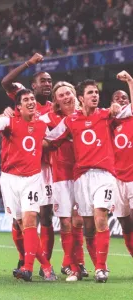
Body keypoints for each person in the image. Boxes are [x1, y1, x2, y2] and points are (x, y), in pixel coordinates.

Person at [46, 78, 133, 283]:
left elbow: (130, 110)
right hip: (81, 178)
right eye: (90, 93)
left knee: (100, 217)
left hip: (105, 176)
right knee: (88, 226)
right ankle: (89, 266)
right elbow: (50, 137)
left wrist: (130, 81)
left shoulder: (106, 115)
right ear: (81, 98)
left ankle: (101, 269)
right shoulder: (70, 121)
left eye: (96, 92)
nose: (95, 95)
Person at [0, 89, 57, 282]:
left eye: (32, 99)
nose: (30, 102)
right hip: (10, 179)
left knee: (29, 222)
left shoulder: (43, 124)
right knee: (20, 224)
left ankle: (27, 268)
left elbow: (57, 139)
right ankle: (46, 266)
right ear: (18, 106)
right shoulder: (8, 121)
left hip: (32, 178)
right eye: (25, 99)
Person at [1, 53, 55, 272]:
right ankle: (24, 258)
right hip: (20, 167)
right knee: (20, 220)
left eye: (50, 81)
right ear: (32, 86)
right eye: (43, 81)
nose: (47, 84)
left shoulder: (53, 107)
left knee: (45, 216)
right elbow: (5, 82)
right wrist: (28, 63)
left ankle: (43, 264)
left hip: (45, 168)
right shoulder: (25, 98)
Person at [40, 81, 87, 281]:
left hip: (83, 174)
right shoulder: (48, 119)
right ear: (56, 102)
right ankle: (70, 264)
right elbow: (30, 126)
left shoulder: (86, 113)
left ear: (75, 94)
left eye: (68, 93)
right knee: (66, 222)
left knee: (79, 221)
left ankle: (78, 263)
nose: (66, 97)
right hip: (60, 177)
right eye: (61, 95)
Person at [111, 71, 133, 257]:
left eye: (125, 97)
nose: (121, 99)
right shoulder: (108, 121)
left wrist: (130, 81)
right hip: (115, 180)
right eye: (117, 98)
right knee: (125, 224)